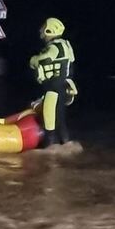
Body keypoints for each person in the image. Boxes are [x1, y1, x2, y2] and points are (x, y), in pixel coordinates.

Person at [29, 17, 76, 147]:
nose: (42, 30)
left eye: (44, 28)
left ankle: (49, 150)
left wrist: (33, 60)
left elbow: (44, 60)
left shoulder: (56, 47)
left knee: (49, 120)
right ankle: (66, 144)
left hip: (54, 89)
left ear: (50, 30)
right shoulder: (65, 45)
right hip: (62, 87)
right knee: (60, 120)